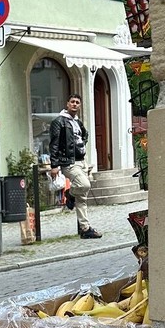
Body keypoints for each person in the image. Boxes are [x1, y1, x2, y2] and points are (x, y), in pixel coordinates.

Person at [48, 94, 102, 238]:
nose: (75, 104)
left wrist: (82, 145)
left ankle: (85, 229)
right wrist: (54, 165)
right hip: (69, 162)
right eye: (72, 102)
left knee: (82, 198)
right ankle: (70, 194)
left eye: (77, 102)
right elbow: (54, 144)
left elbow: (85, 135)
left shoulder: (78, 122)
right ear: (67, 104)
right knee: (84, 185)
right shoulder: (59, 122)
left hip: (81, 161)